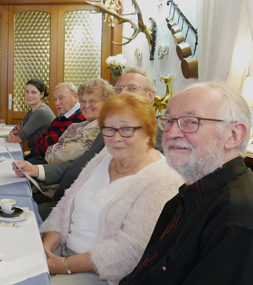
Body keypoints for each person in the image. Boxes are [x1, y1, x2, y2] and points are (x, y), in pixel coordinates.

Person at [120, 81, 253, 284]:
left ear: (233, 135)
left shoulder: (235, 217)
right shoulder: (189, 194)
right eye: (169, 120)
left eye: (191, 122)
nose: (171, 133)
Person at [41, 93, 183, 285]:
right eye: (109, 129)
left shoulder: (162, 179)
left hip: (101, 274)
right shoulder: (105, 156)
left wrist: (63, 265)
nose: (116, 138)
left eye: (126, 129)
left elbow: (128, 251)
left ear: (148, 132)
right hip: (61, 253)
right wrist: (45, 251)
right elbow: (65, 207)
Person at [14, 67, 160, 220]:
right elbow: (80, 164)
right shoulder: (107, 129)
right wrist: (37, 170)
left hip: (89, 213)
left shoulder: (154, 139)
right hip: (69, 200)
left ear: (150, 96)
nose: (123, 93)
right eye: (119, 89)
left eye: (132, 88)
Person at [44, 79, 113, 164]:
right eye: (83, 101)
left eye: (92, 101)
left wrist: (53, 151)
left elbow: (56, 156)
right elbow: (49, 152)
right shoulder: (75, 126)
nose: (86, 106)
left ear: (107, 102)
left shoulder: (101, 127)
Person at [33, 82, 85, 163]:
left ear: (75, 97)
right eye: (55, 99)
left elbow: (53, 149)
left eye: (61, 98)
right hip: (46, 163)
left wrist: (45, 142)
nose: (57, 103)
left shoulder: (79, 119)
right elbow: (37, 143)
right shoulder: (60, 117)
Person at [8, 79, 56, 161]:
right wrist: (11, 135)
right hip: (35, 153)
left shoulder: (41, 112)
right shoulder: (33, 111)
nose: (28, 95)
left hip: (44, 159)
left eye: (33, 92)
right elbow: (16, 130)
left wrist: (12, 137)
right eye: (27, 91)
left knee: (11, 166)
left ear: (42, 94)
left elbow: (19, 138)